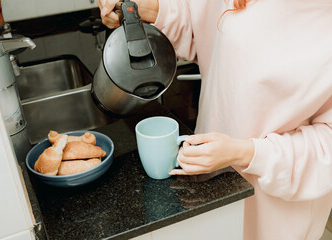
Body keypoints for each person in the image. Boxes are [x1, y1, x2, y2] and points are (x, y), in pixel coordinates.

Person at [97, 0, 332, 239]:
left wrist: (244, 153)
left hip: (279, 208)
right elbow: (198, 28)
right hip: (209, 179)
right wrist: (144, 10)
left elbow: (326, 149)